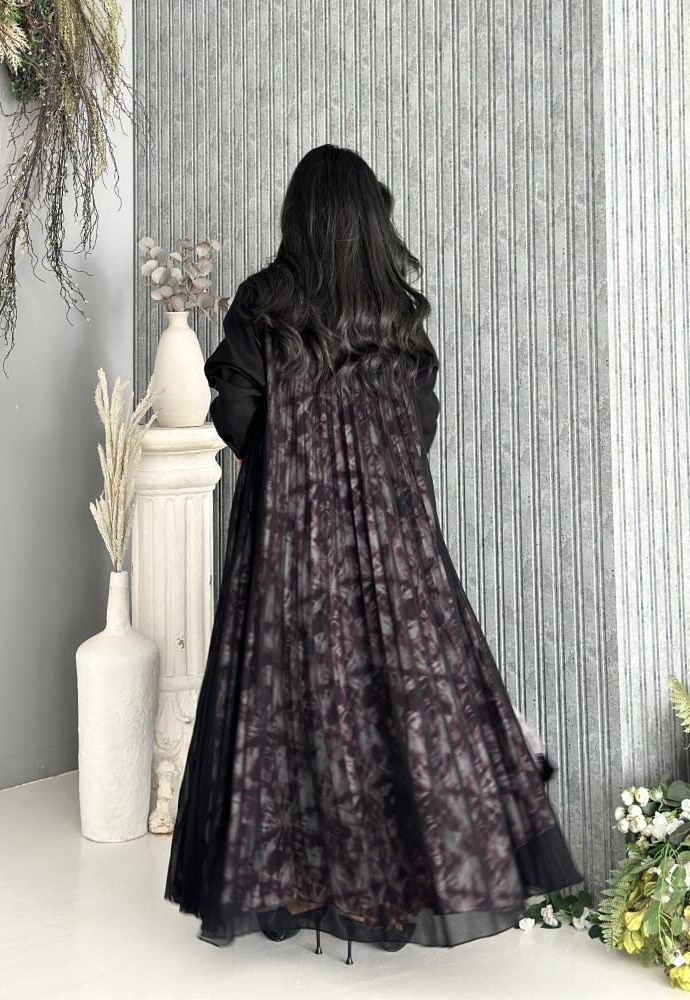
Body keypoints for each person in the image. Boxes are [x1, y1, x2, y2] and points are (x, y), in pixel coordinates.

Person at [164, 143, 582, 964]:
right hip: (391, 539)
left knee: (285, 697)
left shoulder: (264, 300)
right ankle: (385, 885)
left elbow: (235, 407)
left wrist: (288, 463)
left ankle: (295, 883)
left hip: (286, 535)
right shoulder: (394, 311)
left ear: (298, 217)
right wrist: (373, 473)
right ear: (368, 220)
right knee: (396, 699)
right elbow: (421, 423)